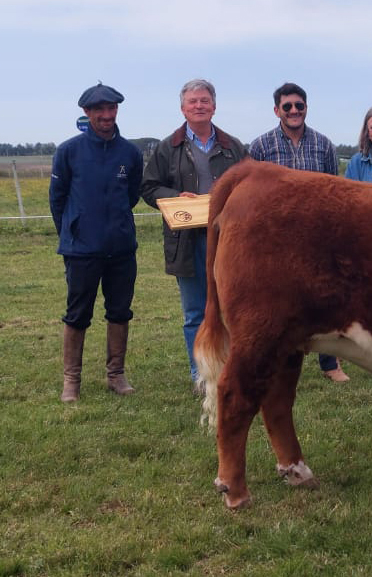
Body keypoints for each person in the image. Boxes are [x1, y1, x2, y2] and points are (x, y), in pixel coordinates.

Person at [140, 79, 247, 391]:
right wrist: (176, 196)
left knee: (231, 308)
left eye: (204, 101)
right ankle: (200, 374)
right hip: (187, 242)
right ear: (182, 108)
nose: (199, 106)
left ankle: (230, 371)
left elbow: (251, 183)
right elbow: (148, 187)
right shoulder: (167, 147)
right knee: (194, 312)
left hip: (228, 239)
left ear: (214, 106)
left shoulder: (233, 147)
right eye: (193, 102)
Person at [248, 82, 350, 383]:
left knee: (325, 299)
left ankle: (331, 364)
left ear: (306, 108)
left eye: (299, 106)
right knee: (275, 301)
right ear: (277, 110)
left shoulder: (323, 144)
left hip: (317, 236)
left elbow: (334, 189)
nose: (294, 111)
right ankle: (276, 361)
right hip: (275, 237)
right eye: (287, 106)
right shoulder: (260, 146)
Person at [49, 82, 143, 402]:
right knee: (77, 314)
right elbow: (57, 201)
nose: (106, 115)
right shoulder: (69, 151)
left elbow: (130, 196)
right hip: (81, 249)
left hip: (121, 249)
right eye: (99, 110)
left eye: (111, 108)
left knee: (120, 311)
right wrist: (74, 230)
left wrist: (115, 226)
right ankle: (71, 381)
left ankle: (116, 375)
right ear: (87, 113)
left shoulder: (130, 153)